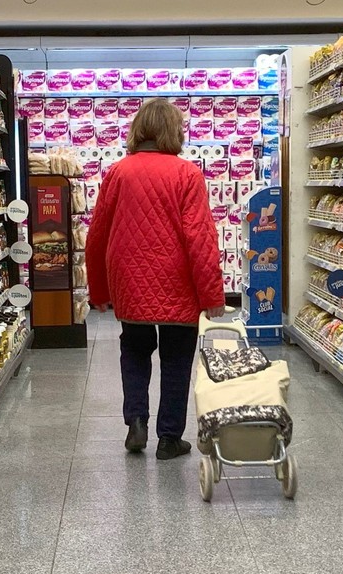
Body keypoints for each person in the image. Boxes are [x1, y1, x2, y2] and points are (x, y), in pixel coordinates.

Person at [86, 98, 226, 460]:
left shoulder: (117, 172)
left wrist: (98, 290)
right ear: (173, 131)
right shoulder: (187, 174)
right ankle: (169, 438)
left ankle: (136, 421)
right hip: (178, 283)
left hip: (129, 281)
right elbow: (200, 238)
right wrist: (212, 295)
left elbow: (97, 235)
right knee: (177, 360)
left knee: (134, 350)